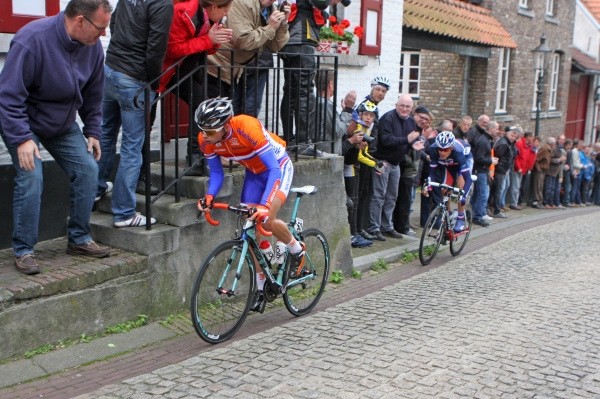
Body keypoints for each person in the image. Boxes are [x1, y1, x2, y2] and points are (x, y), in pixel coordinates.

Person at [0, 0, 112, 275]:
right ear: (80, 21)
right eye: (101, 28)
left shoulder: (92, 47)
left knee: (88, 169)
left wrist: (93, 130)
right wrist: (22, 138)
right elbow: (8, 96)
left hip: (61, 123)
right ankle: (24, 250)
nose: (104, 35)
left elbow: (94, 93)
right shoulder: (32, 39)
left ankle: (79, 238)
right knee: (32, 176)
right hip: (24, 122)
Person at [194, 97, 303, 310]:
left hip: (278, 168)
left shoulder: (246, 127)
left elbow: (273, 169)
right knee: (250, 227)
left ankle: (297, 249)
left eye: (210, 131)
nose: (205, 136)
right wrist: (209, 196)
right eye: (202, 131)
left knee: (267, 219)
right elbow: (216, 172)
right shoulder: (205, 139)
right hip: (254, 174)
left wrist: (264, 205)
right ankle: (261, 286)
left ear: (225, 125)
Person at [96, 0, 174, 228]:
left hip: (110, 70)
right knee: (132, 146)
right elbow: (156, 47)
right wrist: (153, 82)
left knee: (105, 134)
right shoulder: (162, 4)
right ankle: (123, 213)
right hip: (133, 79)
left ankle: (95, 189)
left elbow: (114, 23)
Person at [157, 0, 234, 176]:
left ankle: (196, 157)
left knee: (202, 107)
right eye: (225, 10)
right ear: (214, 7)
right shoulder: (182, 13)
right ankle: (194, 158)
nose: (226, 15)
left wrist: (215, 41)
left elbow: (206, 49)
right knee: (201, 106)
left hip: (190, 69)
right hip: (170, 71)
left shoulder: (208, 18)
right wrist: (209, 40)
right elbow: (174, 49)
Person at [207, 0, 290, 113]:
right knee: (215, 116)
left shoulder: (272, 9)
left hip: (234, 69)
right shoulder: (243, 2)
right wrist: (270, 27)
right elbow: (244, 40)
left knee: (233, 113)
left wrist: (283, 23)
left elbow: (274, 46)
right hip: (216, 67)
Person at [279, 0, 341, 145]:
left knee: (290, 91)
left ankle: (290, 138)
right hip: (300, 38)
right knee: (304, 91)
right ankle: (302, 142)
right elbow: (322, 2)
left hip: (289, 39)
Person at [367, 94, 423, 241]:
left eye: (408, 107)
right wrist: (407, 140)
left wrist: (413, 145)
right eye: (402, 105)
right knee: (378, 196)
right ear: (396, 105)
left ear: (412, 109)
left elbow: (409, 140)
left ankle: (387, 226)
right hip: (383, 162)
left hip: (396, 164)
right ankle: (374, 228)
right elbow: (385, 140)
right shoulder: (388, 118)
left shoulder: (410, 121)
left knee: (392, 197)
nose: (404, 109)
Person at [353, 76, 391, 241]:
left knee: (364, 194)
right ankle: (357, 230)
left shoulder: (375, 108)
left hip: (370, 156)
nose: (380, 93)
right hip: (359, 158)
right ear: (372, 88)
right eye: (378, 89)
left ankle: (360, 229)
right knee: (359, 195)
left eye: (384, 91)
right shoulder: (363, 107)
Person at [425, 131, 472, 233]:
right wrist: (429, 186)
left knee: (461, 187)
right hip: (449, 163)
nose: (442, 152)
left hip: (463, 161)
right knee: (444, 189)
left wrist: (463, 196)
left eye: (445, 150)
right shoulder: (433, 149)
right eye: (440, 149)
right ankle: (449, 214)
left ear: (451, 148)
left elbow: (468, 178)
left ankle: (460, 218)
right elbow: (432, 173)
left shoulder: (458, 152)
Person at [309, 69, 354, 155]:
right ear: (330, 85)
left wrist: (344, 111)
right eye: (334, 84)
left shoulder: (316, 102)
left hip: (321, 152)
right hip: (327, 155)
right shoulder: (325, 105)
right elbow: (339, 131)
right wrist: (348, 110)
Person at [471, 120, 499, 227]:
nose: (497, 131)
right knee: (482, 194)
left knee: (477, 194)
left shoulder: (487, 140)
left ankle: (472, 214)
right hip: (480, 171)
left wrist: (490, 159)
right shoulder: (484, 141)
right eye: (496, 129)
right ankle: (477, 216)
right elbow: (479, 158)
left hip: (482, 171)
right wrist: (491, 161)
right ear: (491, 129)